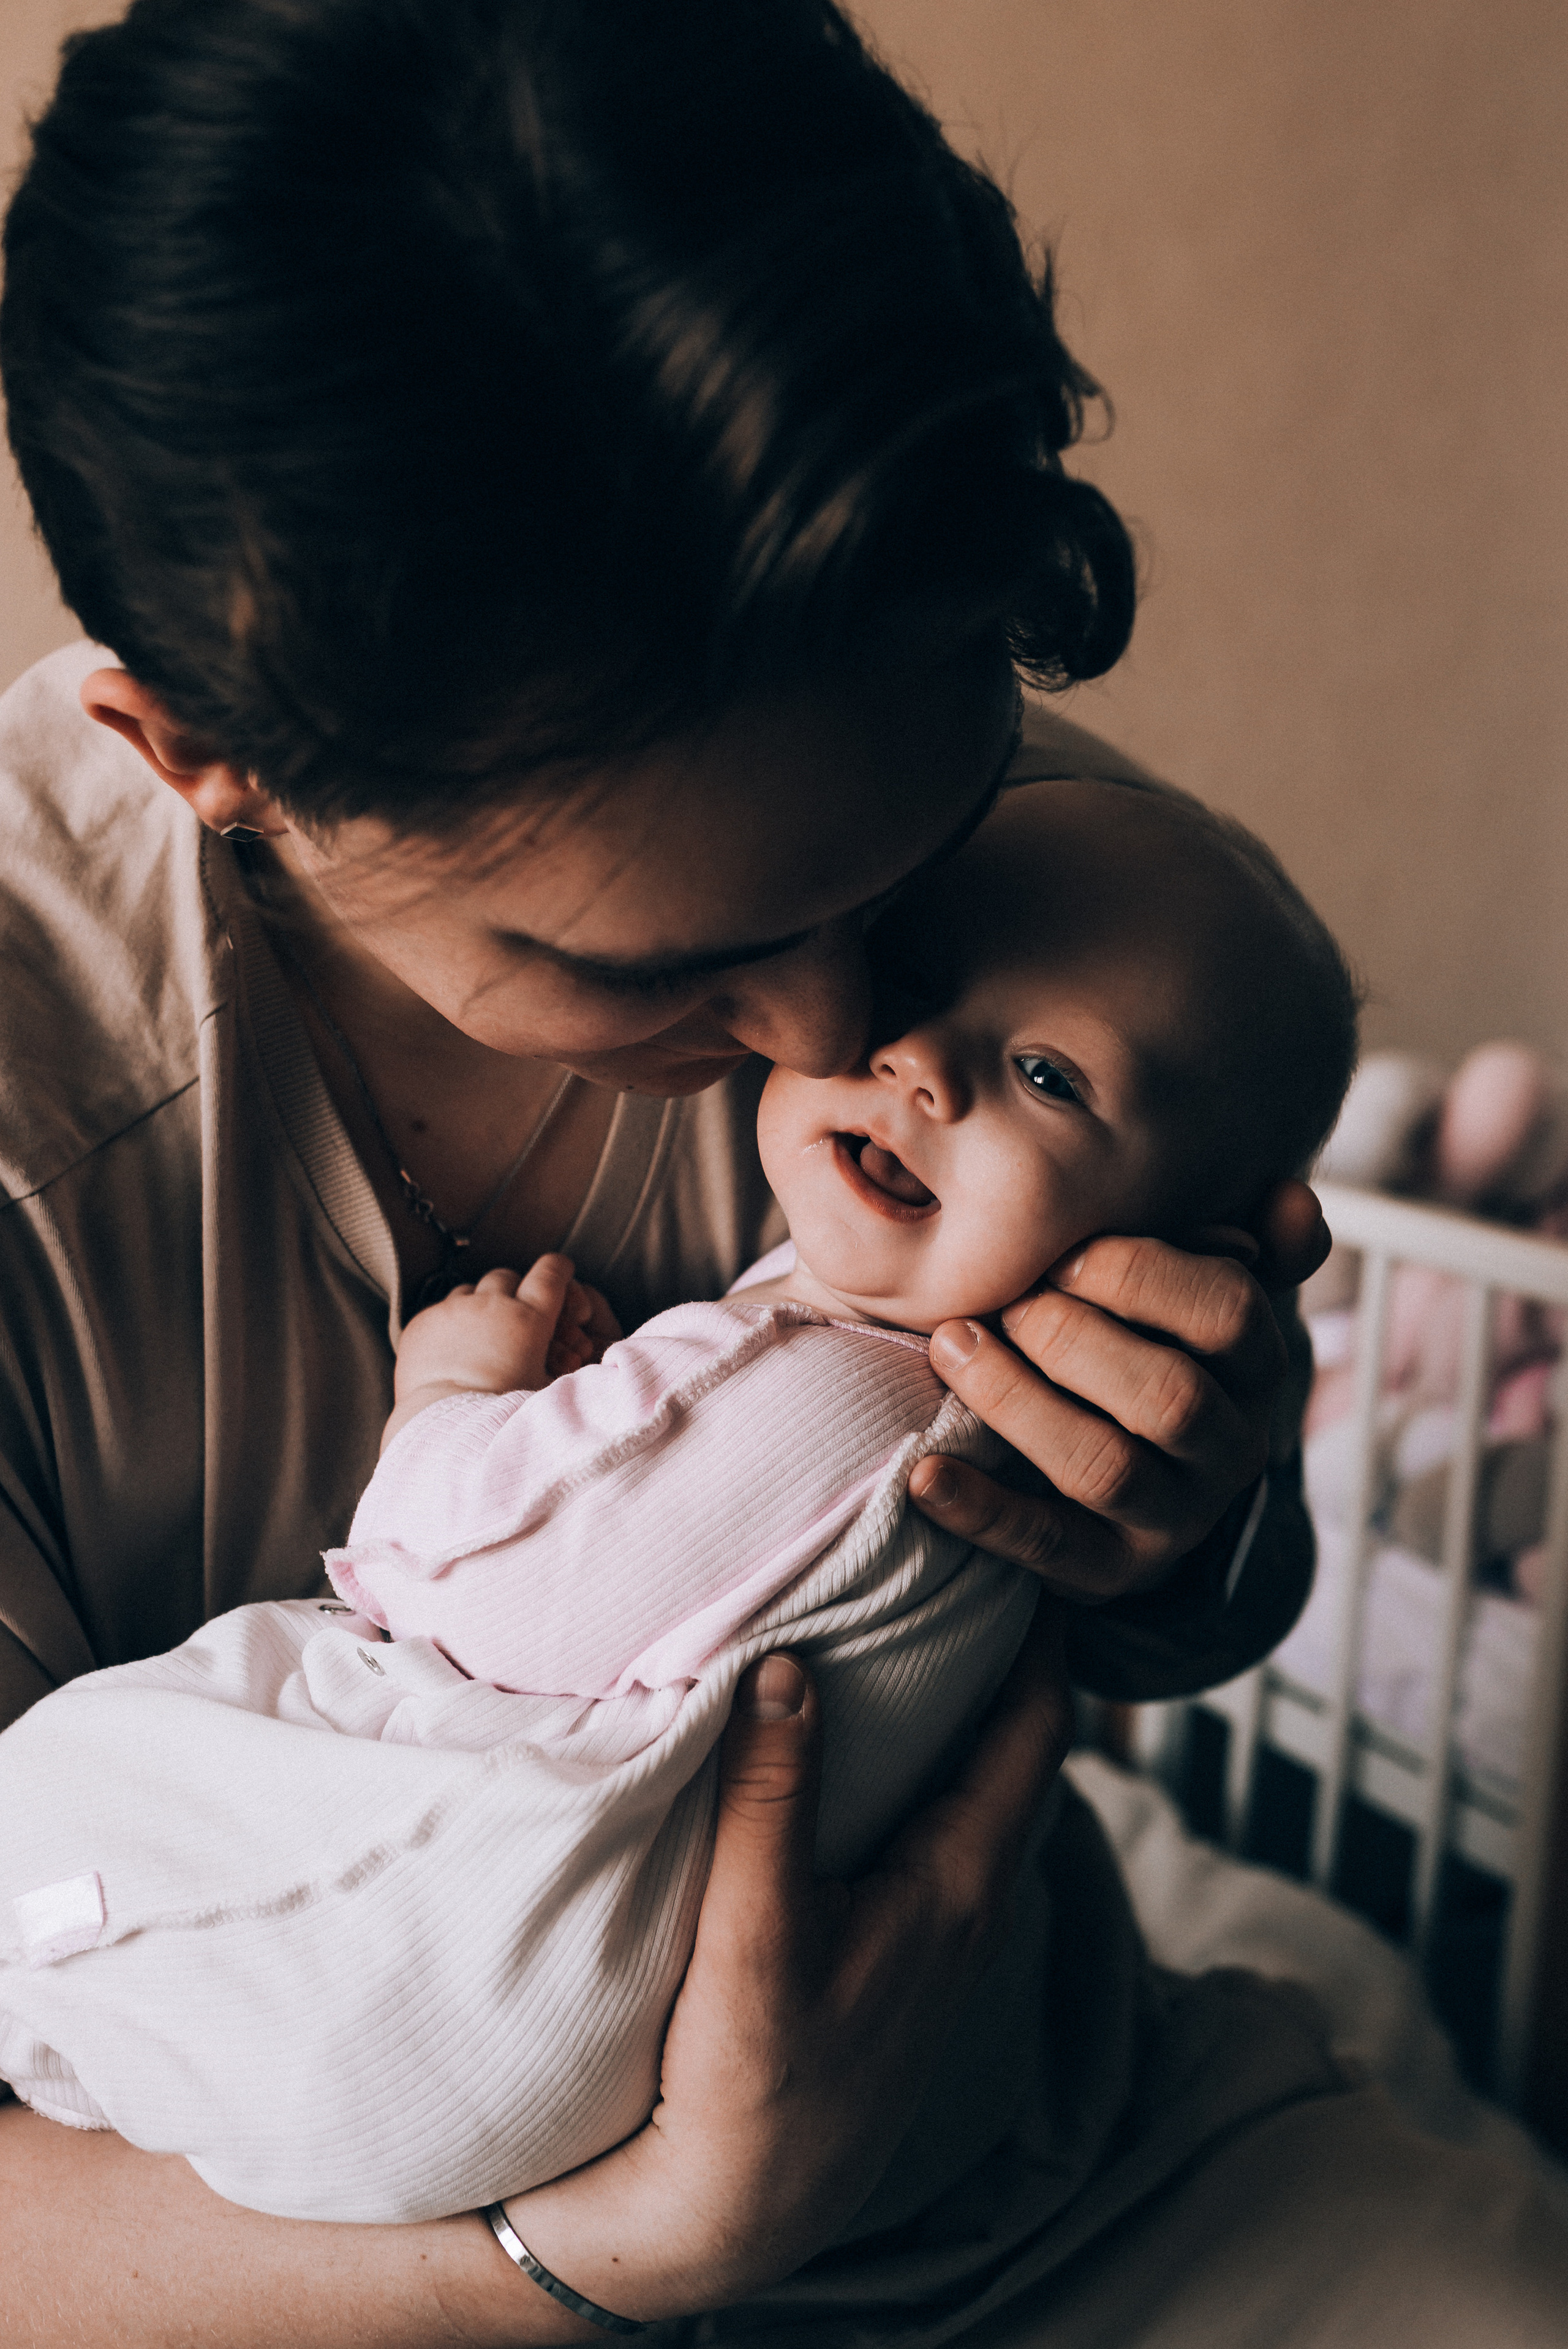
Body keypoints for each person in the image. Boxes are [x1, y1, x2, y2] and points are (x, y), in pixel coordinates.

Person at [1, 2, 1561, 2342]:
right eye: (669, 966)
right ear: (199, 756)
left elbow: (1171, 1616)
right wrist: (616, 2244)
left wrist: (1180, 1516)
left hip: (1024, 2154)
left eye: (907, 868)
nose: (847, 1038)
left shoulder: (1022, 864)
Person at [0, 776, 1361, 2233]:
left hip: (591, 2027)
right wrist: (643, 2239)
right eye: (908, 973)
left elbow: (471, 1569)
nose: (876, 1038)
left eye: (1045, 1076)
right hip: (535, 2098)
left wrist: (446, 1405)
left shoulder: (1000, 830)